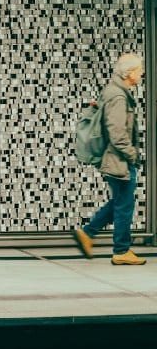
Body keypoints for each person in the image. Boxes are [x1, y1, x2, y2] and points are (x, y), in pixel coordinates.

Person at [72, 54, 145, 265]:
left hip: (115, 158)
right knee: (125, 205)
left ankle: (87, 233)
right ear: (129, 73)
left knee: (121, 202)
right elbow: (117, 135)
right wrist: (133, 156)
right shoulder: (118, 97)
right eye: (139, 70)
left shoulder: (113, 91)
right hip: (118, 160)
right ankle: (121, 250)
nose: (141, 73)